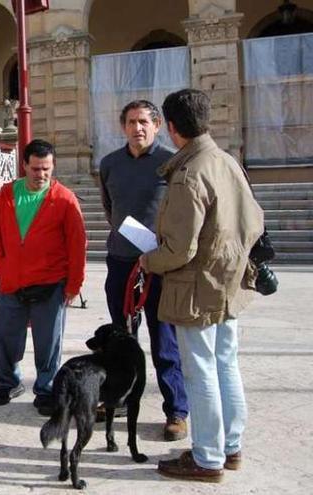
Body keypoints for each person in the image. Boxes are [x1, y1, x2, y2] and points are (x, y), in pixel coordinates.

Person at [142, 89, 264, 483]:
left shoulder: (190, 172)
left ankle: (207, 457)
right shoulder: (226, 161)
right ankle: (230, 447)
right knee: (226, 364)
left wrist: (148, 259)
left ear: (172, 127)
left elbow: (179, 248)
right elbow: (255, 221)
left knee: (200, 371)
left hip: (196, 287)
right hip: (228, 281)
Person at [99, 100, 189, 441]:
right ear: (123, 126)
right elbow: (111, 209)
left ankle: (176, 411)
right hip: (121, 261)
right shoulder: (109, 164)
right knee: (121, 339)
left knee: (164, 340)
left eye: (144, 122)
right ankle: (118, 398)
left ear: (157, 125)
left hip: (159, 266)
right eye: (132, 122)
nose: (137, 128)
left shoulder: (172, 163)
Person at [0, 139, 87, 415]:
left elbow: (77, 245)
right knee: (5, 338)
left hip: (51, 284)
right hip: (11, 283)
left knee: (48, 342)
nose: (41, 174)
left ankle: (45, 388)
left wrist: (74, 284)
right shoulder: (6, 195)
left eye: (47, 169)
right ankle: (8, 383)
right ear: (24, 166)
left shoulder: (65, 199)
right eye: (36, 169)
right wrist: (1, 268)